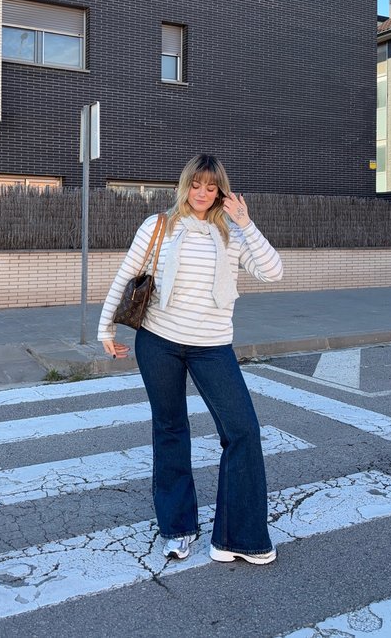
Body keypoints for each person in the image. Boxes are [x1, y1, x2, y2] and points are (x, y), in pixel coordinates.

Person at [98, 154, 283, 565]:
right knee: (170, 430)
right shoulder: (159, 226)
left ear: (221, 191)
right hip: (158, 342)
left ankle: (238, 537)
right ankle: (178, 527)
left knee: (243, 431)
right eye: (196, 185)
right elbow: (125, 277)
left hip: (213, 346)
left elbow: (274, 272)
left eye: (211, 187)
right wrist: (105, 330)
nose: (202, 193)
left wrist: (247, 223)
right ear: (185, 186)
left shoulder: (233, 233)